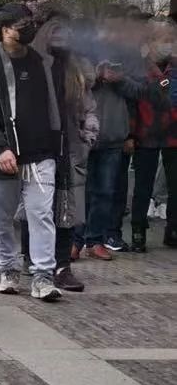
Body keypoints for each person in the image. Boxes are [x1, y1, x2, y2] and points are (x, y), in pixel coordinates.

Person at [0, 2, 64, 301]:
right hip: (3, 155)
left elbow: (54, 105)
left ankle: (42, 274)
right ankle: (8, 268)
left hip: (40, 152)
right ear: (5, 29)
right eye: (22, 24)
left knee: (41, 214)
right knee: (1, 218)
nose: (29, 29)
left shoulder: (41, 61)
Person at [23, 17, 100, 292]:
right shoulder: (31, 66)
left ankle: (62, 264)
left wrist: (88, 136)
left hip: (70, 147)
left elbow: (88, 107)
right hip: (38, 147)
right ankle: (30, 258)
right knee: (37, 206)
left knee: (68, 206)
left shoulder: (76, 69)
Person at [72, 58, 143, 261]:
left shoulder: (125, 57)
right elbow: (71, 87)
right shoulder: (81, 53)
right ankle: (75, 241)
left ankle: (95, 240)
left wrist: (119, 79)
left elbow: (138, 91)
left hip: (113, 137)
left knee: (105, 193)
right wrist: (96, 76)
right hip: (83, 136)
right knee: (80, 192)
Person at [130, 24, 176, 250]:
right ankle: (138, 231)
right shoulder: (139, 68)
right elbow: (132, 103)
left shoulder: (174, 68)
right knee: (143, 186)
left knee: (175, 185)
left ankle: (173, 229)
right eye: (162, 39)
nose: (167, 43)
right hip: (145, 134)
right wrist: (130, 134)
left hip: (173, 135)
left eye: (171, 38)